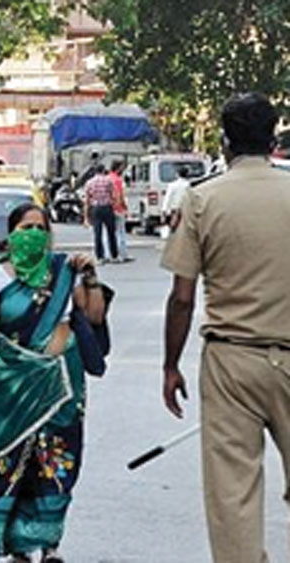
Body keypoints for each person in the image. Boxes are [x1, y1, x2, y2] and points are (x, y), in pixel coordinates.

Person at [161, 92, 290, 563]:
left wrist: (170, 366)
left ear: (225, 142)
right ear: (274, 139)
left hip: (232, 359)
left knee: (233, 491)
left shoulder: (203, 199)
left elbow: (181, 297)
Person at [0, 203, 105, 562]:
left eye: (41, 228)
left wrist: (90, 276)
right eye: (26, 228)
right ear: (11, 235)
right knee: (14, 462)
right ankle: (15, 545)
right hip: (13, 385)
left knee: (57, 462)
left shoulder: (63, 272)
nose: (34, 235)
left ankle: (49, 544)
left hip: (62, 385)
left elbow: (95, 315)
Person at [82, 165, 119, 264]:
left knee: (97, 233)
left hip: (95, 209)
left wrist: (85, 217)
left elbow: (86, 201)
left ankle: (100, 257)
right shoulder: (108, 181)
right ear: (103, 171)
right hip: (107, 208)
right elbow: (114, 195)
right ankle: (114, 255)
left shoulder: (89, 183)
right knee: (111, 233)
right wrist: (115, 206)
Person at [109, 161, 134, 262]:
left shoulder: (107, 178)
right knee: (121, 232)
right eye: (121, 168)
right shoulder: (118, 180)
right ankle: (123, 254)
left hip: (108, 208)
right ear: (118, 168)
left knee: (110, 233)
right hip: (118, 208)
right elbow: (120, 195)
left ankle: (111, 254)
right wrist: (124, 206)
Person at [161, 166, 192, 233]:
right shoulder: (188, 185)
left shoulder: (172, 185)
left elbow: (168, 198)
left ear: (177, 174)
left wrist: (164, 210)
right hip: (186, 209)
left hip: (175, 209)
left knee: (173, 226)